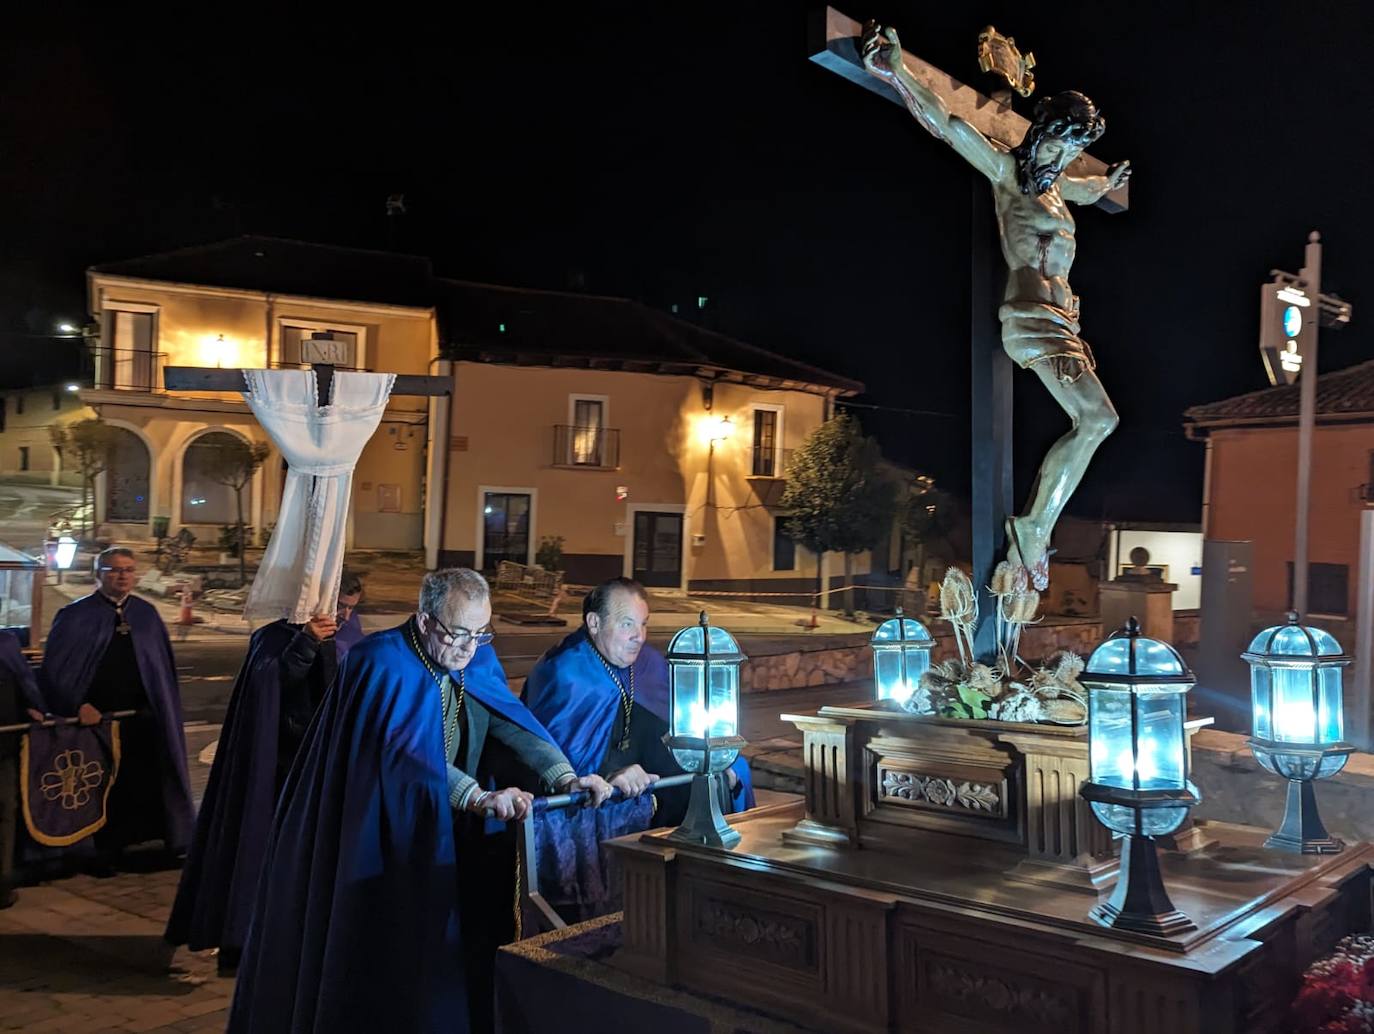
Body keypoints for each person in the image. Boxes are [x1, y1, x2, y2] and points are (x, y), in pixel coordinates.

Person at [226, 568, 612, 1034]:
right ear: (426, 621)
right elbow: (400, 754)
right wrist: (476, 795)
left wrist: (564, 775)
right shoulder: (379, 662)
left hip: (451, 831)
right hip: (379, 832)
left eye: (481, 632)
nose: (470, 647)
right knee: (382, 952)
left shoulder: (475, 658)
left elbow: (510, 722)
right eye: (460, 633)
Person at [862, 22, 1128, 590]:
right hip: (1033, 321)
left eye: (1074, 151)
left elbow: (1087, 187)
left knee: (1097, 420)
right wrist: (898, 69)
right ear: (1041, 134)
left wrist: (1106, 183)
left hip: (1066, 323)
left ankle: (1034, 528)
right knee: (1099, 418)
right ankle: (1033, 528)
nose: (1064, 158)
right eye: (1060, 144)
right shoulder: (1010, 175)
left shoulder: (1061, 189)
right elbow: (949, 124)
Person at [165, 574, 365, 971]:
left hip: (322, 771)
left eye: (351, 607)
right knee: (261, 857)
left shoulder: (352, 639)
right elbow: (274, 687)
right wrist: (307, 642)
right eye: (339, 605)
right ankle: (241, 942)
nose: (343, 615)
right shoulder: (274, 639)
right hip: (276, 768)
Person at [523, 577, 754, 919]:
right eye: (627, 624)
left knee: (726, 773)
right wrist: (608, 775)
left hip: (653, 812)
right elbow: (555, 767)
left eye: (644, 624)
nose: (639, 636)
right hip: (590, 831)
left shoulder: (647, 665)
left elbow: (676, 735)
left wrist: (718, 763)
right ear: (594, 622)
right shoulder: (565, 672)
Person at [39, 547, 193, 864]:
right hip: (97, 723)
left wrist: (159, 705)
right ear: (99, 574)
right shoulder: (75, 616)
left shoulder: (146, 615)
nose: (122, 575)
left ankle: (155, 843)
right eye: (113, 570)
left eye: (128, 569)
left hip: (144, 717)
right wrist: (77, 704)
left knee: (145, 781)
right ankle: (107, 851)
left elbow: (160, 670)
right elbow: (56, 671)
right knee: (102, 786)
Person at [0, 630, 42, 908]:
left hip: (3, 747)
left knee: (4, 810)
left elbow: (22, 682)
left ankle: (1, 882)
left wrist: (32, 707)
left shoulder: (6, 643)